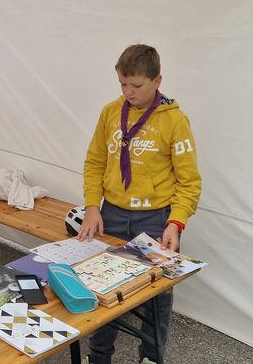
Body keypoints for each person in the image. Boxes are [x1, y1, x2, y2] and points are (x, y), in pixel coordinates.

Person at [77, 44, 202, 364]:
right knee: (103, 287)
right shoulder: (110, 112)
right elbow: (95, 162)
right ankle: (99, 356)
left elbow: (189, 182)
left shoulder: (175, 121)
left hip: (155, 218)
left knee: (158, 293)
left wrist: (175, 223)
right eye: (122, 84)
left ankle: (150, 356)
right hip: (112, 214)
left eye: (136, 85)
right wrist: (92, 206)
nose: (128, 92)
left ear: (157, 81)